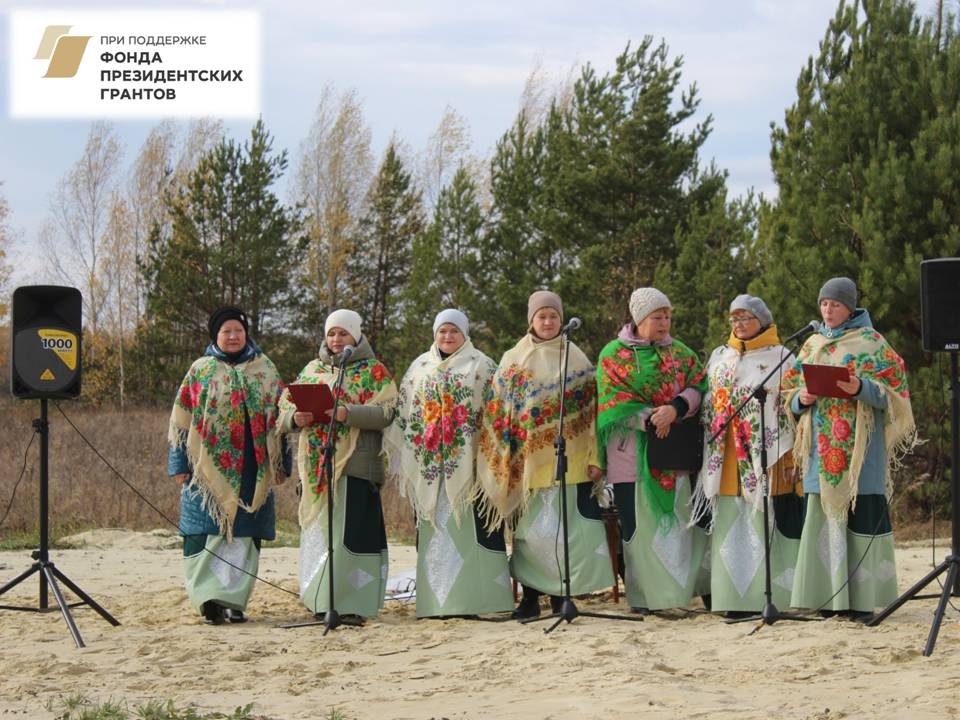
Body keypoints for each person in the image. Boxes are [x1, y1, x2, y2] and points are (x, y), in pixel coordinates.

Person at [782, 277, 916, 617]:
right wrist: (802, 398)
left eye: (836, 304)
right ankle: (828, 600)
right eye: (824, 303)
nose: (828, 310)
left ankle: (861, 601)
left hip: (861, 449)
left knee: (862, 516)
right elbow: (789, 394)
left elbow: (897, 393)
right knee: (823, 520)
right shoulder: (811, 344)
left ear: (850, 307)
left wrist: (861, 388)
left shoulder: (872, 343)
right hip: (821, 449)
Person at [476, 290, 614, 619]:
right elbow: (498, 412)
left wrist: (596, 457)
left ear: (562, 319)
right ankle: (530, 597)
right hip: (528, 465)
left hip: (572, 463)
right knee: (530, 535)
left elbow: (594, 413)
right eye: (542, 316)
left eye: (554, 316)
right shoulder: (514, 358)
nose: (549, 322)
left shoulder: (577, 359)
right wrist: (506, 457)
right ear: (531, 321)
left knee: (570, 533)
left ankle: (562, 595)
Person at [383, 309, 513, 618]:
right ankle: (438, 603)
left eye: (454, 330)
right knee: (437, 529)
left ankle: (479, 602)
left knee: (473, 530)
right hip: (430, 466)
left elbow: (498, 412)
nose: (447, 336)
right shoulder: (419, 368)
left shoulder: (482, 366)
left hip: (471, 465)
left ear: (465, 334)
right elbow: (407, 412)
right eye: (442, 331)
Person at [168, 306, 289, 625]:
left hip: (253, 468)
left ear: (246, 333)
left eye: (238, 330)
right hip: (205, 471)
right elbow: (181, 422)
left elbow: (281, 419)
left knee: (244, 536)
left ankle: (235, 601)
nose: (233, 336)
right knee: (205, 532)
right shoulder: (201, 370)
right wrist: (179, 463)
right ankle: (209, 601)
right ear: (215, 337)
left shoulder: (265, 369)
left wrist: (282, 464)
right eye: (226, 332)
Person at [279, 309, 398, 622]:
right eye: (331, 333)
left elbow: (388, 413)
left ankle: (352, 605)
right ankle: (320, 600)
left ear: (356, 336)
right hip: (317, 465)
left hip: (355, 466)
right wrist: (295, 418)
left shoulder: (374, 371)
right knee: (321, 534)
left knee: (349, 536)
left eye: (343, 333)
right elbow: (284, 410)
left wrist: (349, 413)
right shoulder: (311, 369)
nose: (336, 339)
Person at [596, 288, 708, 612]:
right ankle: (644, 599)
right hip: (630, 453)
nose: (664, 322)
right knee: (637, 528)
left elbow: (698, 385)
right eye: (657, 317)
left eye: (667, 316)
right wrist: (650, 418)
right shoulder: (612, 355)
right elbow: (611, 402)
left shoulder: (681, 353)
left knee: (676, 525)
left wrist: (675, 408)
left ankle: (676, 597)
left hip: (674, 453)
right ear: (640, 319)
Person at [694, 294, 802, 616]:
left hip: (768, 454)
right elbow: (711, 402)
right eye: (734, 319)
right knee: (733, 522)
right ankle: (735, 600)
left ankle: (776, 597)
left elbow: (792, 406)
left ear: (762, 321)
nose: (739, 325)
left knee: (767, 520)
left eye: (745, 318)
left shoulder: (783, 357)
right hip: (726, 454)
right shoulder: (720, 357)